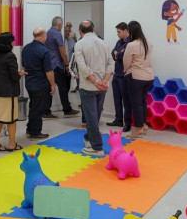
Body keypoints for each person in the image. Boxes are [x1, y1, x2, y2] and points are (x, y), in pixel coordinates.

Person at [75, 20, 114, 156]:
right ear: (93, 29)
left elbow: (83, 68)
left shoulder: (79, 44)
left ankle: (97, 147)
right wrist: (104, 80)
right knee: (95, 115)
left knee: (91, 117)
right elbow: (110, 63)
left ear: (80, 31)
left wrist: (96, 82)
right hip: (103, 86)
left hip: (89, 86)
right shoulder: (104, 43)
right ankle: (89, 138)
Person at [0, 32, 26, 152]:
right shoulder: (10, 56)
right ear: (8, 43)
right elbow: (14, 76)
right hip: (8, 92)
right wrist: (20, 74)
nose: (13, 43)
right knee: (11, 119)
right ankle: (12, 144)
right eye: (12, 41)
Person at [22, 28, 56, 140]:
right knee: (38, 108)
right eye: (45, 35)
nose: (46, 37)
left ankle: (30, 129)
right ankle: (35, 132)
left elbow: (24, 64)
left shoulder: (26, 48)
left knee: (33, 106)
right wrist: (52, 84)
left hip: (29, 83)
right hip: (40, 84)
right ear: (42, 36)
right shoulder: (44, 50)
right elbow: (48, 71)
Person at [43, 16, 80, 118]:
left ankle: (46, 111)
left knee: (50, 87)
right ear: (59, 24)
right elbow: (62, 51)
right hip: (57, 65)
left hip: (49, 64)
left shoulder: (48, 32)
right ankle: (67, 109)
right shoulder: (57, 33)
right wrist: (67, 64)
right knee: (63, 88)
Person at [123, 21, 154, 139]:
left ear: (131, 31)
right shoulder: (148, 42)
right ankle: (144, 125)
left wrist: (126, 72)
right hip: (149, 77)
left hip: (136, 77)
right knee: (142, 102)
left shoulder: (132, 45)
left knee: (136, 104)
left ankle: (137, 129)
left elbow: (126, 62)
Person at [107, 22, 131, 131]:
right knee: (117, 99)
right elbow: (113, 54)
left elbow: (123, 55)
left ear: (126, 30)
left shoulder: (130, 43)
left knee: (126, 100)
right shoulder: (118, 42)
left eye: (119, 32)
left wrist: (118, 54)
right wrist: (117, 54)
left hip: (124, 76)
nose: (117, 34)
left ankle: (127, 123)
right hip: (116, 74)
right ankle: (118, 119)